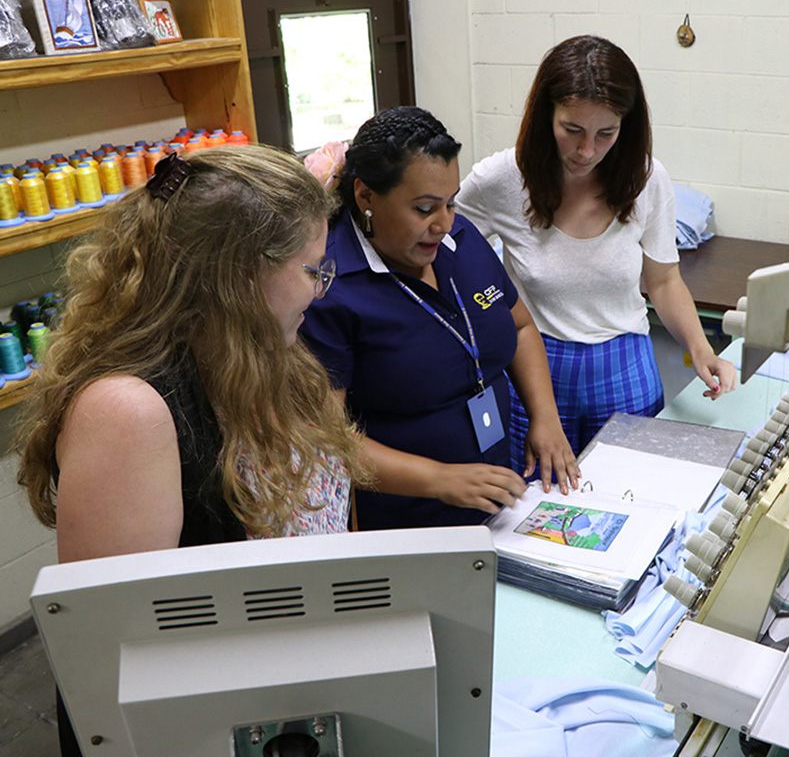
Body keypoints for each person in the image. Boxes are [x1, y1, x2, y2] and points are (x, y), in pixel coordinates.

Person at [16, 145, 366, 757]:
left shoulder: (264, 359)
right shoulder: (129, 411)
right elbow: (112, 655)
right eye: (312, 271)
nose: (320, 291)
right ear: (238, 276)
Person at [457, 35, 738, 466]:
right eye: (572, 130)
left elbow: (663, 281)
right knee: (534, 509)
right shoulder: (502, 179)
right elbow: (443, 246)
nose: (586, 151)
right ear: (545, 115)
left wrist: (702, 350)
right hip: (536, 371)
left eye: (606, 133)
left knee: (628, 491)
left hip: (624, 365)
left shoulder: (646, 178)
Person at [300, 105, 579, 531]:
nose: (443, 224)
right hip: (408, 519)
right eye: (425, 209)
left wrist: (545, 418)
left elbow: (520, 327)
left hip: (498, 499)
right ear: (366, 197)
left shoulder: (462, 241)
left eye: (450, 203)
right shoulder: (330, 289)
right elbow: (329, 439)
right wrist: (440, 479)